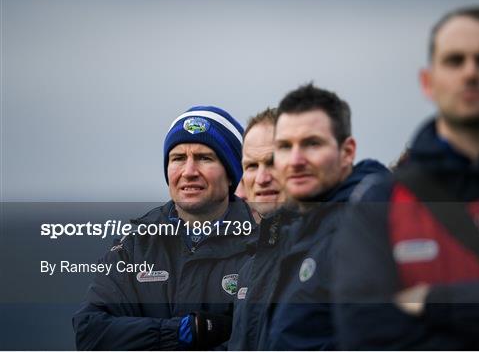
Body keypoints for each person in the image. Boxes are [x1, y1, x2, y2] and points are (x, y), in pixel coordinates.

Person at [333, 6, 479, 350]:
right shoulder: (379, 200)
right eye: (454, 61)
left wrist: (432, 302)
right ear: (428, 82)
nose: (470, 73)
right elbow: (365, 333)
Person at [73, 106, 256, 350]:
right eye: (178, 158)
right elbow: (91, 332)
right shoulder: (135, 245)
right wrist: (184, 331)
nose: (189, 172)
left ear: (232, 173)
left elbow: (262, 339)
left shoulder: (261, 242)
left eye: (205, 158)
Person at [257, 84, 388, 350]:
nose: (295, 160)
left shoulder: (369, 224)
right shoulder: (301, 230)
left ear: (347, 152)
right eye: (284, 147)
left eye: (312, 144)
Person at [228, 107, 295, 350]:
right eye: (251, 166)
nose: (262, 178)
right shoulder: (250, 266)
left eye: (272, 162)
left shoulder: (328, 248)